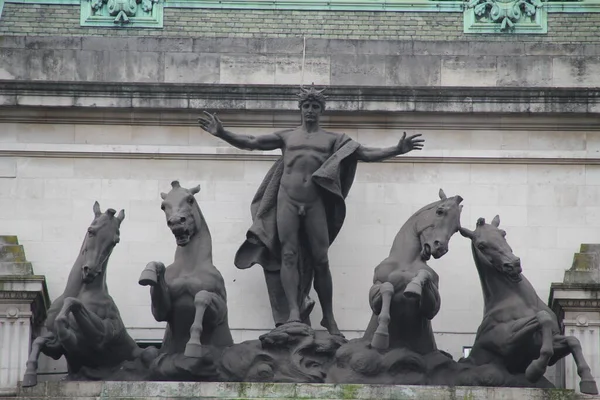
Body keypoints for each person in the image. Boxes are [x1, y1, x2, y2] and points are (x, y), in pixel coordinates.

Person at [198, 85, 424, 336]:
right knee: (289, 255)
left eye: (315, 107)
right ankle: (293, 312)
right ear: (300, 109)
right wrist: (222, 133)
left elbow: (365, 154)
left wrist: (396, 149)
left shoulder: (333, 140)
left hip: (315, 202)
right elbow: (252, 142)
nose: (310, 111)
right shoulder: (287, 137)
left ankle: (328, 317)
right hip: (288, 200)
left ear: (321, 110)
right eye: (306, 106)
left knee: (321, 259)